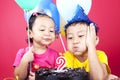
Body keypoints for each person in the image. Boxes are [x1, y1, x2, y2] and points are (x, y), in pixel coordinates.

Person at [13, 12, 59, 80]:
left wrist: (40, 78)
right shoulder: (22, 53)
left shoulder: (55, 55)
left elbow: (58, 77)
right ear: (30, 33)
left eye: (51, 31)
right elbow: (19, 78)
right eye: (42, 29)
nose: (47, 33)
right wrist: (24, 61)